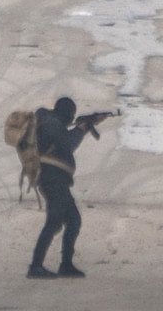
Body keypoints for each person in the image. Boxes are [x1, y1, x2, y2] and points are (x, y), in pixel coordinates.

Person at [26, 97, 111, 279]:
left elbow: (64, 143)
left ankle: (66, 265)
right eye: (71, 115)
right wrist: (82, 128)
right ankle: (36, 267)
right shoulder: (50, 123)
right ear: (66, 112)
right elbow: (67, 144)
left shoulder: (53, 123)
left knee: (73, 220)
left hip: (58, 180)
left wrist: (86, 125)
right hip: (52, 179)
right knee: (54, 222)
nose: (71, 118)